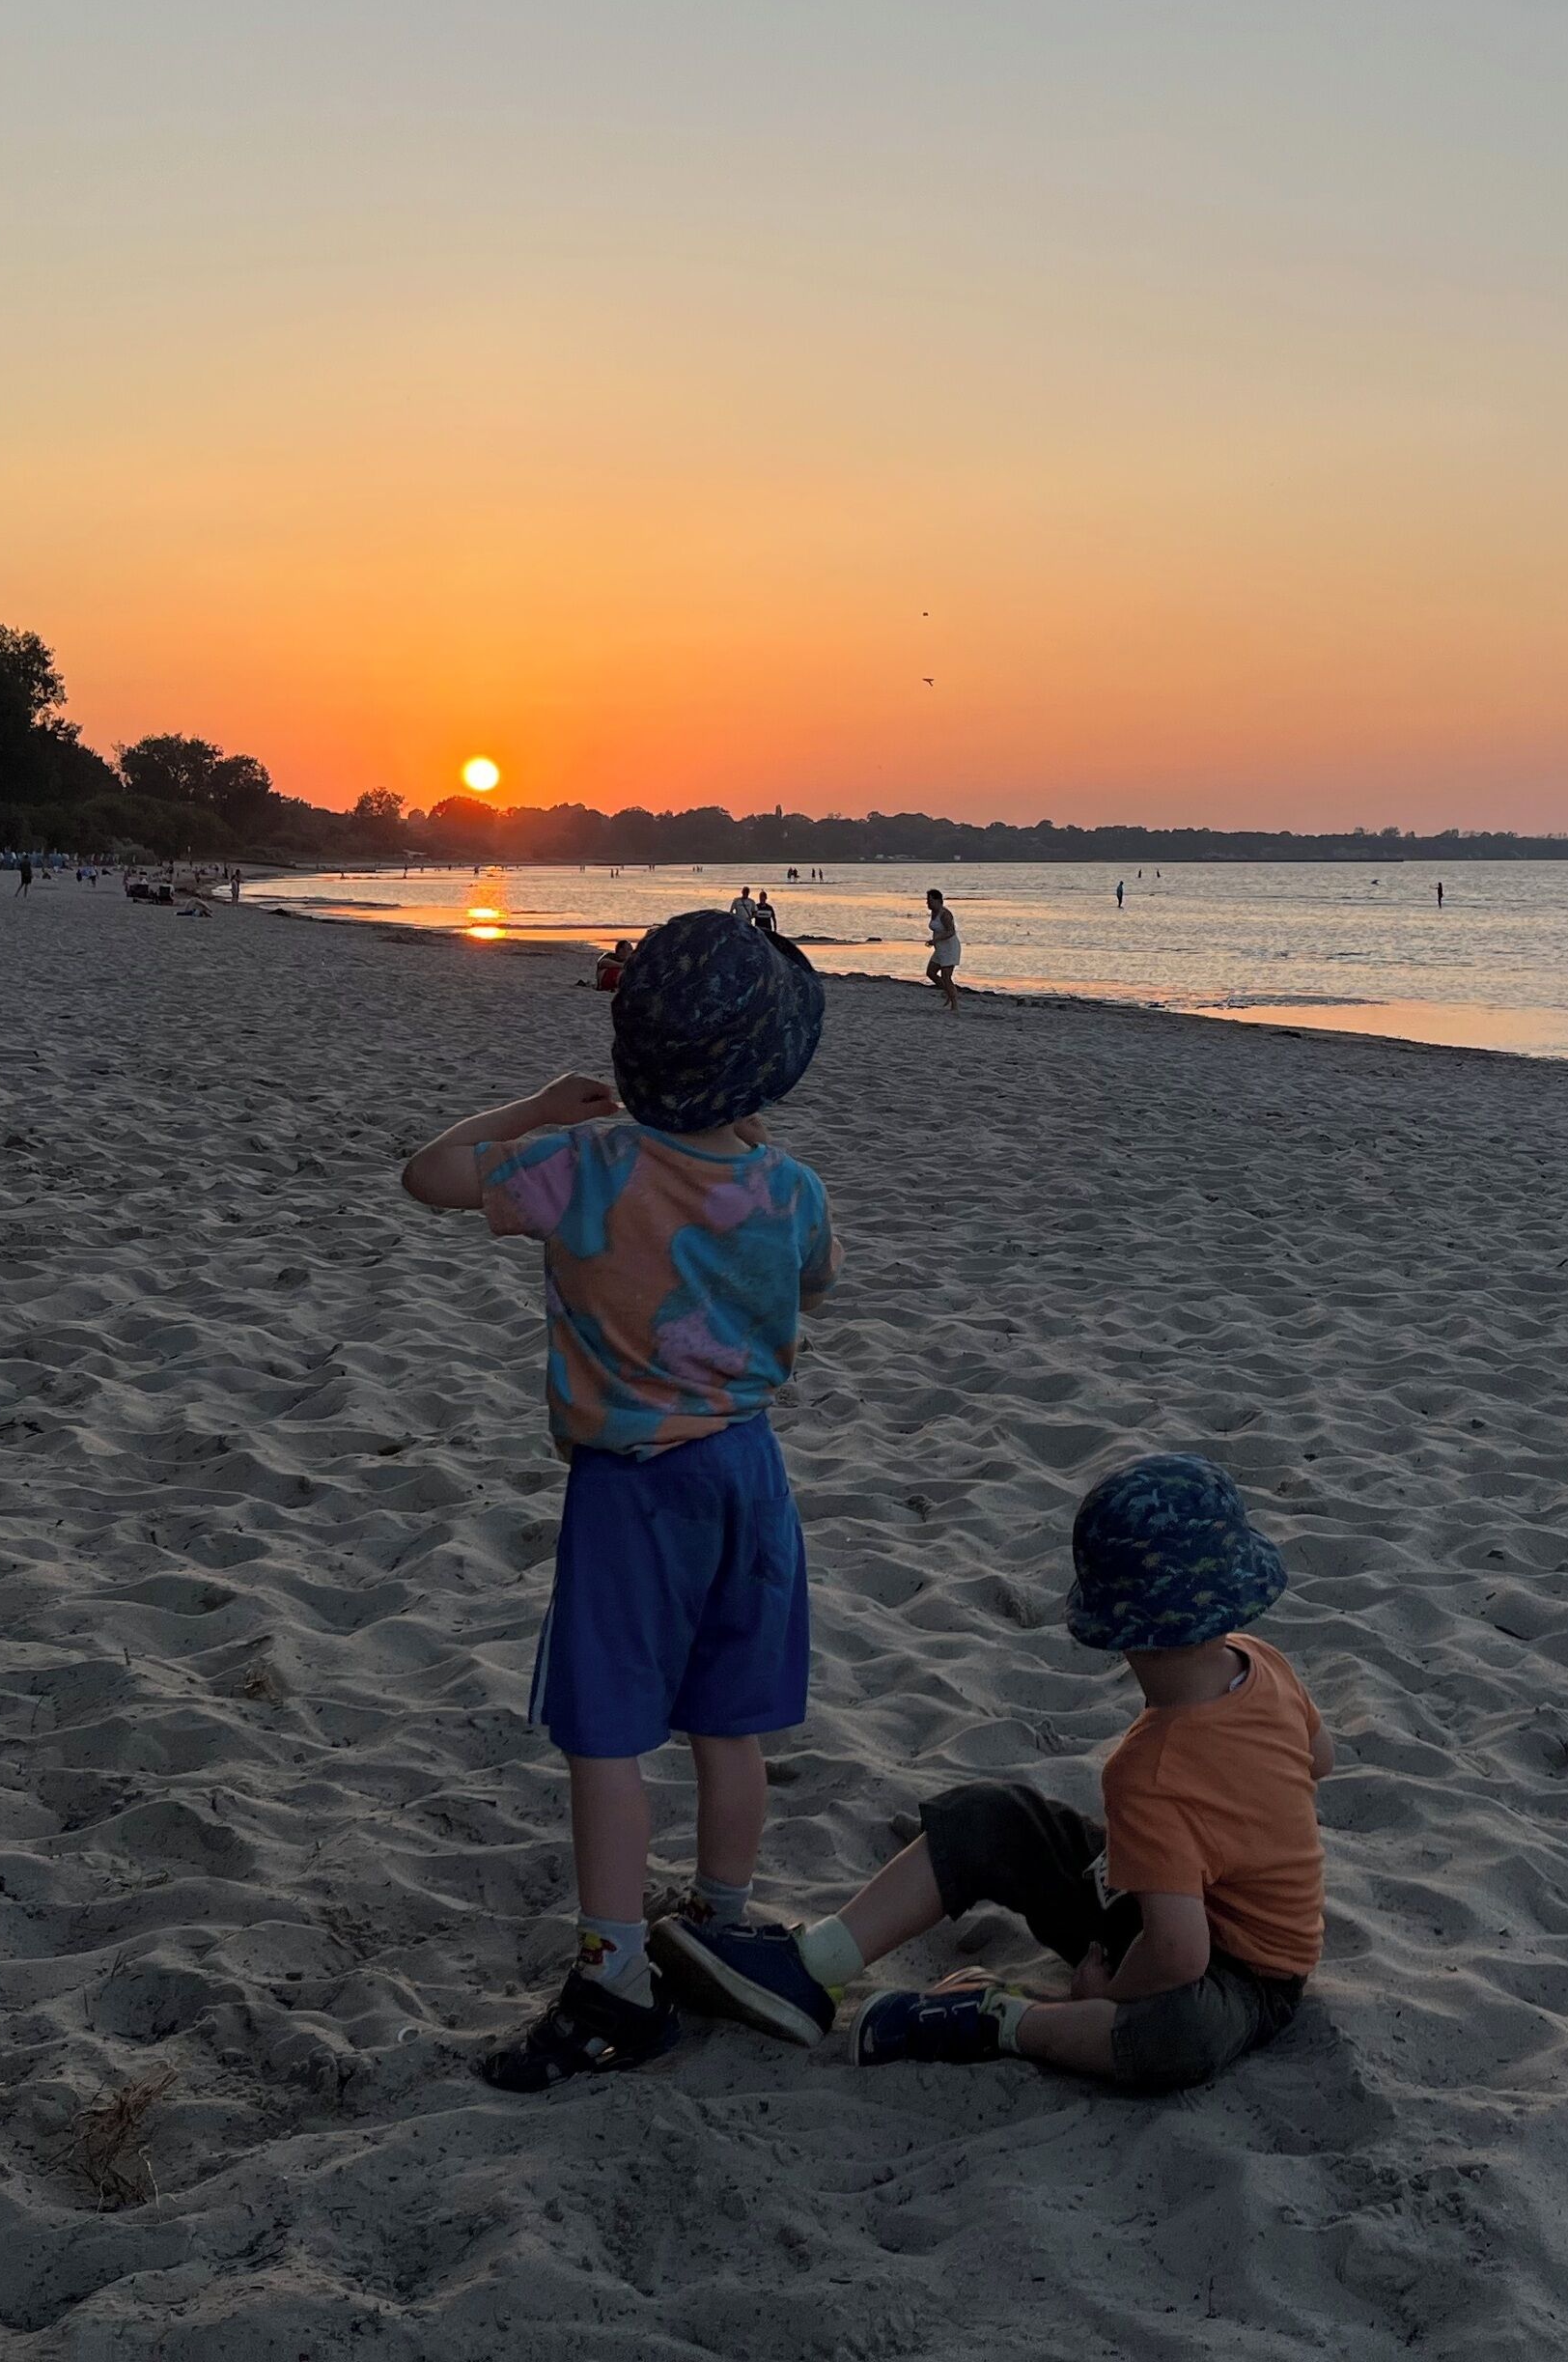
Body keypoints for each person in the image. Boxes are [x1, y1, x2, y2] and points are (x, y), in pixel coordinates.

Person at [397, 910, 839, 2092]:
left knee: (606, 1739)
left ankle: (615, 1981)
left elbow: (427, 1175)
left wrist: (535, 1107)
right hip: (748, 1477)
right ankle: (721, 1922)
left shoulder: (583, 1166)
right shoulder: (790, 1188)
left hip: (631, 1492)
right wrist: (740, 1157)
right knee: (729, 1723)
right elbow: (816, 1281)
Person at [658, 1453, 1328, 2093]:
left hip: (1247, 1975)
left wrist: (1106, 1992)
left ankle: (1002, 2019)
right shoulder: (1261, 1661)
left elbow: (1180, 1957)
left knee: (1175, 2034)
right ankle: (815, 1965)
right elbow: (1317, 1760)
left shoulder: (1150, 1773)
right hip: (1174, 1906)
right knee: (997, 1818)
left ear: (1120, 1630)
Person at [924, 888, 962, 1012]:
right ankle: (948, 992)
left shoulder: (945, 914)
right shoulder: (933, 913)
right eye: (927, 900)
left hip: (950, 949)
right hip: (940, 949)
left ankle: (954, 1004)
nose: (927, 903)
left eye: (930, 901)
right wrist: (934, 941)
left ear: (938, 901)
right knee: (931, 972)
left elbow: (951, 932)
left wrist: (936, 940)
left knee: (946, 976)